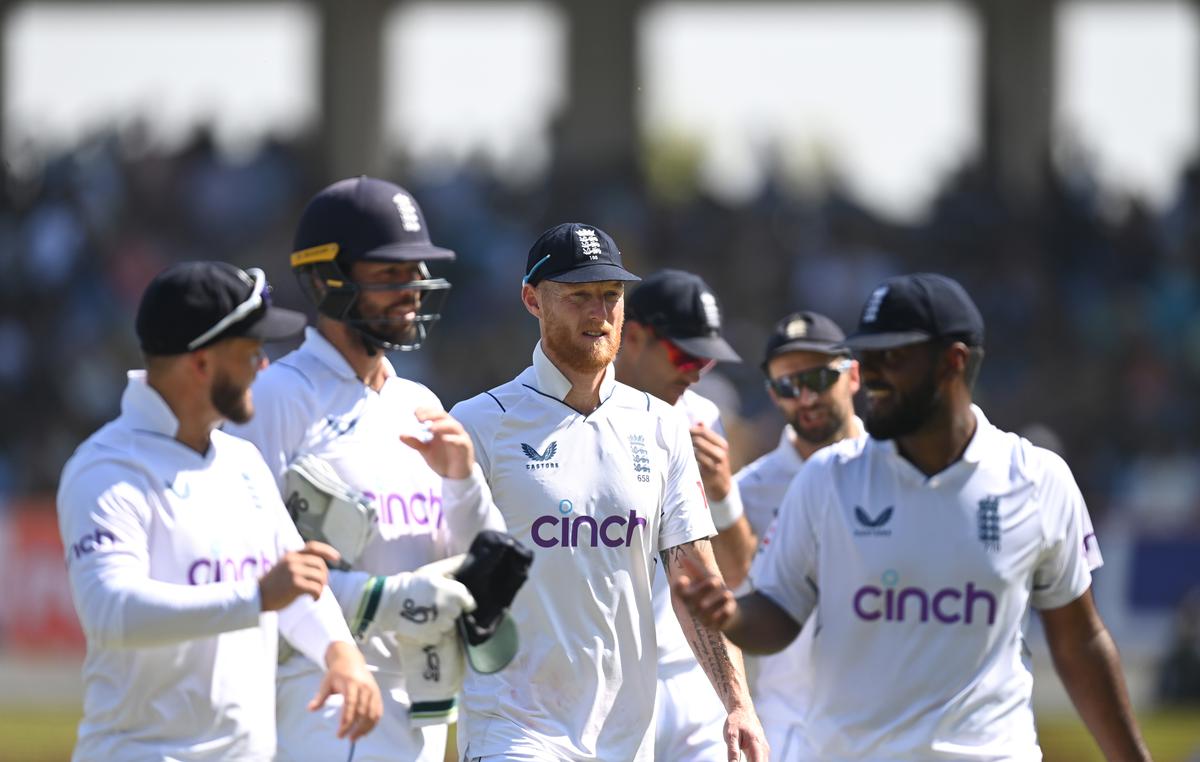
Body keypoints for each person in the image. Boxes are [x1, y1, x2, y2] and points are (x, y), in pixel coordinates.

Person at [676, 273, 1151, 761]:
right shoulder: (827, 478)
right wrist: (733, 615)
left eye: (893, 356)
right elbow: (778, 612)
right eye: (869, 355)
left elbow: (1080, 641)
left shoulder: (1037, 479)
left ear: (953, 361)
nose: (874, 373)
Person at [450, 223, 767, 761]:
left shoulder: (662, 426)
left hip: (625, 735)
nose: (598, 313)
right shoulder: (479, 423)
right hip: (513, 726)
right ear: (533, 299)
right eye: (578, 296)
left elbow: (696, 578)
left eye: (611, 296)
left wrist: (738, 703)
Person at [227, 176, 506, 762]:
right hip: (318, 696)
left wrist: (462, 481)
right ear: (327, 279)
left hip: (424, 697)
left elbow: (482, 557)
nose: (409, 291)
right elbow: (249, 566)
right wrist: (385, 599)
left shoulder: (420, 403)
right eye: (387, 275)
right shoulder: (276, 398)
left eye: (414, 274)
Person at [56, 261, 383, 761]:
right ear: (202, 364)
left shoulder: (241, 460)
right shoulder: (105, 469)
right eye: (251, 352)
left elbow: (295, 584)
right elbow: (110, 612)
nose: (265, 366)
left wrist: (340, 652)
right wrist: (254, 597)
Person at [615, 268, 757, 761]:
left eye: (707, 359)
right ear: (633, 337)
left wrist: (721, 493)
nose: (696, 373)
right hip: (608, 681)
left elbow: (736, 572)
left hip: (692, 673)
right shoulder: (579, 414)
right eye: (685, 355)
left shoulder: (701, 417)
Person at [732, 310, 863, 758]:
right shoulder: (745, 493)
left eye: (820, 379)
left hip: (883, 727)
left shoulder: (898, 475)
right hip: (790, 734)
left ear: (855, 375)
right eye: (787, 387)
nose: (805, 397)